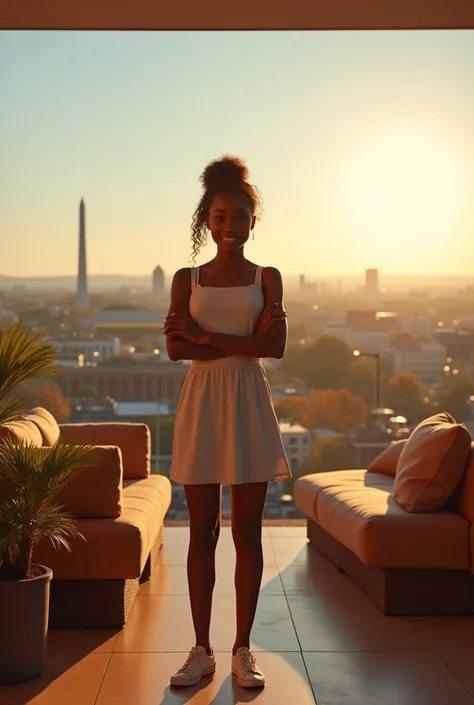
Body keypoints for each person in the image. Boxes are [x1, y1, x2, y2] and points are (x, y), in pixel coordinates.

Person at [164, 155, 291, 689]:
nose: (230, 226)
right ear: (206, 220)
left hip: (248, 401)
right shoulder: (184, 278)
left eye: (239, 216)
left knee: (248, 533)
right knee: (201, 532)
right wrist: (235, 342)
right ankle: (201, 650)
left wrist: (207, 337)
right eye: (220, 217)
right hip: (202, 402)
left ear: (252, 220)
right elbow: (174, 348)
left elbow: (275, 347)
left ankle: (242, 650)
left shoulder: (269, 277)